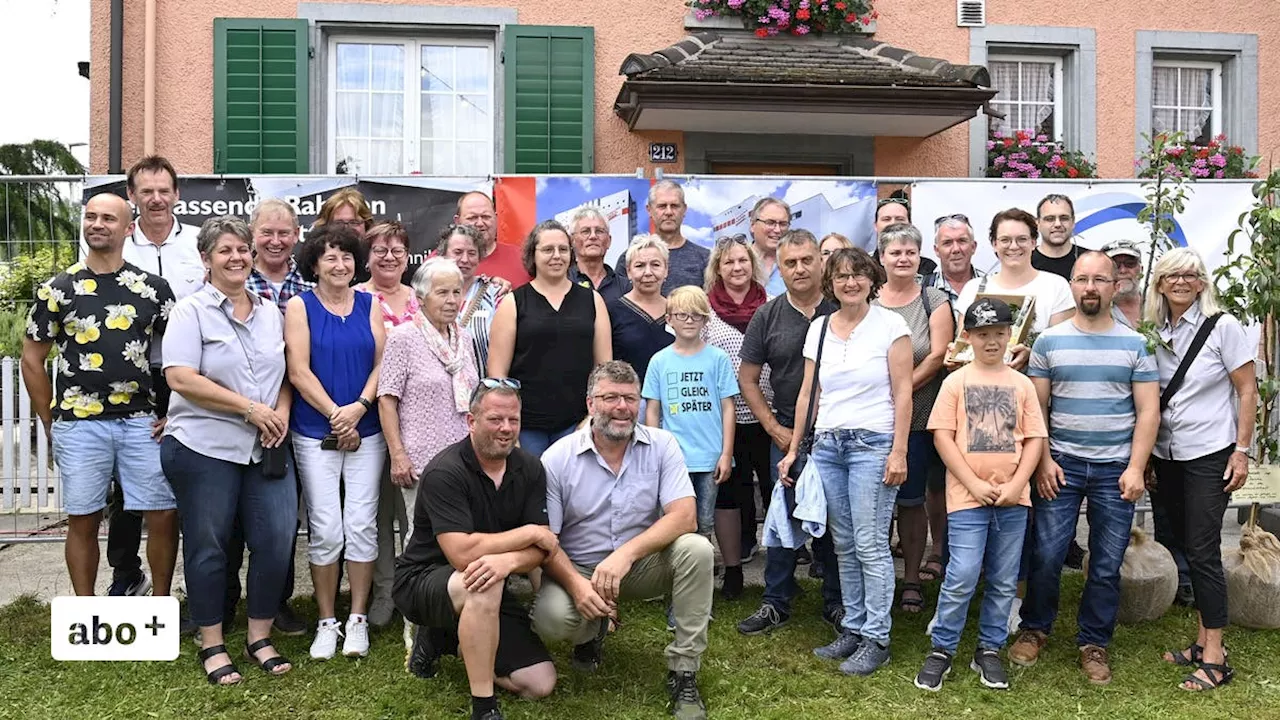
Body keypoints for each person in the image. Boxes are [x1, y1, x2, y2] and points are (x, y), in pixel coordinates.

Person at [1009, 250, 1159, 685]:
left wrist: (1136, 467)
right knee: (1047, 554)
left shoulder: (1136, 343)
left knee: (1107, 563)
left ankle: (1094, 642)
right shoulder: (1049, 341)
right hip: (1062, 466)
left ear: (1115, 286)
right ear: (1071, 284)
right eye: (1082, 279)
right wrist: (1043, 462)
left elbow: (1148, 412)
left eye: (1099, 279)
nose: (1090, 287)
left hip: (1116, 469)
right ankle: (1035, 629)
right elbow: (1035, 409)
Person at [534, 361, 714, 720]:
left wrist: (626, 555)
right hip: (581, 569)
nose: (622, 407)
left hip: (641, 565)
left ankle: (684, 670)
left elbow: (684, 516)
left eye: (630, 398)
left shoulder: (662, 445)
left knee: (698, 549)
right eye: (610, 397)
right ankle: (589, 635)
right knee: (551, 620)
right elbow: (547, 540)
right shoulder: (557, 458)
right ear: (590, 405)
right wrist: (576, 585)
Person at [159, 216, 297, 685]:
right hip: (203, 446)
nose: (237, 258)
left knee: (277, 540)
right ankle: (213, 642)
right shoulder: (190, 311)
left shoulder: (270, 312)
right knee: (209, 547)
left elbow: (286, 376)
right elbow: (180, 377)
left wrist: (276, 414)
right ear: (206, 259)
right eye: (225, 251)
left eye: (243, 249)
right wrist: (250, 410)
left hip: (264, 448)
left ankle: (259, 635)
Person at [21, 192, 177, 597]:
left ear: (128, 229)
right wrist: (49, 419)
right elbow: (32, 359)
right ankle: (86, 612)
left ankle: (160, 605)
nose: (97, 224)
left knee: (162, 513)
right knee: (83, 518)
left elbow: (183, 354)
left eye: (108, 218)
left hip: (142, 421)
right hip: (79, 422)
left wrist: (175, 411)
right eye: (90, 217)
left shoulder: (153, 289)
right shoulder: (56, 290)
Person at [778, 246, 912, 677]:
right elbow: (808, 394)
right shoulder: (819, 327)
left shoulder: (891, 325)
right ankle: (853, 628)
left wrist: (900, 451)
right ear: (830, 284)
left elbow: (903, 393)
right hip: (830, 447)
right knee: (845, 544)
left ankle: (878, 637)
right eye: (840, 277)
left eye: (857, 275)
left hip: (873, 444)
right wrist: (795, 449)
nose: (850, 282)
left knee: (872, 544)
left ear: (872, 279)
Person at [392, 379, 558, 720]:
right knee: (484, 581)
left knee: (539, 683)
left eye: (514, 420)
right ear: (471, 421)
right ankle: (484, 706)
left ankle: (446, 638)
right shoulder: (444, 471)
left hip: (488, 580)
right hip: (423, 580)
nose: (506, 428)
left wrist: (511, 559)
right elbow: (463, 554)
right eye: (496, 419)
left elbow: (543, 549)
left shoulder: (529, 468)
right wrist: (527, 534)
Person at [913, 298, 1047, 692]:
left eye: (999, 334)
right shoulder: (956, 382)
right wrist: (972, 483)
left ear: (1010, 336)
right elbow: (942, 435)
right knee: (963, 573)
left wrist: (1018, 484)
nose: (991, 341)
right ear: (967, 337)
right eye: (983, 334)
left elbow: (1035, 439)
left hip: (1013, 499)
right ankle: (943, 647)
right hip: (968, 498)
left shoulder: (1021, 384)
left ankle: (989, 647)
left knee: (1005, 579)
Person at [1146, 248, 1256, 692]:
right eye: (1172, 274)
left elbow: (1247, 391)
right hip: (1167, 454)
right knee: (1187, 547)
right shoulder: (1155, 329)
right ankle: (1201, 640)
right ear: (1160, 283)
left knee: (1204, 550)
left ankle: (1215, 656)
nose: (1181, 281)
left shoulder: (1223, 327)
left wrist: (1241, 450)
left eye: (1190, 274)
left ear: (1202, 282)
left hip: (1210, 453)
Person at [284, 223, 387, 660]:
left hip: (368, 430)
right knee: (326, 528)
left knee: (362, 524)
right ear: (314, 264)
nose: (340, 264)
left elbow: (385, 363)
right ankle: (327, 621)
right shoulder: (299, 306)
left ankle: (357, 618)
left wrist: (359, 408)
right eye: (330, 257)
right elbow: (298, 371)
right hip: (315, 431)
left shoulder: (371, 305)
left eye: (346, 256)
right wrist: (334, 415)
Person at [102, 155, 201, 598]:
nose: (157, 199)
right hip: (133, 376)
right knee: (127, 482)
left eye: (165, 190)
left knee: (188, 479)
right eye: (147, 192)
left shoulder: (200, 244)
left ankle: (191, 584)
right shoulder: (117, 247)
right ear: (132, 197)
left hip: (193, 376)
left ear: (177, 194)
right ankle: (126, 573)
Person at [736, 230, 843, 635]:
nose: (799, 269)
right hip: (785, 436)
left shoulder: (843, 308)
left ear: (820, 262)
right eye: (790, 263)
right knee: (781, 519)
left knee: (834, 522)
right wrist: (774, 428)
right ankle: (776, 602)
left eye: (806, 260)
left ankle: (836, 602)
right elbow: (747, 379)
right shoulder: (768, 315)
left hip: (838, 433)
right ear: (778, 269)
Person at [379, 257, 482, 674]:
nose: (452, 299)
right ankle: (416, 631)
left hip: (466, 464)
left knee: (463, 551)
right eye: (442, 291)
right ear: (420, 296)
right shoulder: (404, 338)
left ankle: (455, 629)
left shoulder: (463, 338)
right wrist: (397, 453)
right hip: (421, 464)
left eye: (457, 291)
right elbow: (387, 398)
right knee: (420, 552)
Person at [873, 223, 954, 612]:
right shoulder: (868, 299)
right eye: (895, 252)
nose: (903, 258)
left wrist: (899, 392)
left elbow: (938, 355)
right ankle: (874, 579)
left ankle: (910, 579)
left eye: (910, 252)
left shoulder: (933, 299)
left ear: (920, 256)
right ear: (882, 258)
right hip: (873, 419)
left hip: (920, 417)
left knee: (911, 500)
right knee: (872, 502)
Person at [487, 220, 611, 457]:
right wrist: (508, 425)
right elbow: (497, 374)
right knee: (530, 492)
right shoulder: (513, 303)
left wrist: (590, 418)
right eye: (547, 250)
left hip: (577, 424)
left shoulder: (592, 301)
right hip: (526, 428)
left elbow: (603, 369)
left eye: (563, 249)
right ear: (532, 255)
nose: (556, 256)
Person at [359, 221, 422, 628]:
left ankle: (416, 593)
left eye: (397, 249)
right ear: (367, 257)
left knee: (415, 515)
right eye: (380, 249)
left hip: (416, 424)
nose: (389, 257)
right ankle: (384, 594)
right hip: (367, 421)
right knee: (378, 515)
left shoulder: (421, 299)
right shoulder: (356, 298)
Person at [703, 234, 772, 597]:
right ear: (718, 268)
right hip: (724, 418)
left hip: (770, 415)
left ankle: (781, 565)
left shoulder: (772, 305)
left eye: (743, 261)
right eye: (728, 262)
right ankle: (733, 571)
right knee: (730, 493)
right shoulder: (706, 310)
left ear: (753, 265)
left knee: (777, 489)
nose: (737, 267)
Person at [644, 286, 738, 540]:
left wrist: (726, 453)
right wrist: (656, 454)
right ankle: (673, 575)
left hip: (710, 457)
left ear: (705, 319)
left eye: (696, 315)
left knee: (705, 522)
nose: (689, 320)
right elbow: (653, 410)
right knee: (674, 521)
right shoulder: (659, 361)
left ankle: (704, 575)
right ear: (669, 319)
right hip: (673, 459)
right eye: (682, 314)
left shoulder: (718, 359)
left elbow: (728, 407)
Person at [955, 208, 1076, 371]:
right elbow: (964, 341)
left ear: (1033, 243)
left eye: (1022, 239)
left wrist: (1031, 355)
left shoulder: (1056, 286)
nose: (1013, 246)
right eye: (1005, 240)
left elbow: (1062, 348)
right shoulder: (973, 288)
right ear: (994, 244)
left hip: (1036, 387)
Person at [436, 223, 506, 373]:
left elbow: (506, 347)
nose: (465, 259)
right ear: (443, 255)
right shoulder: (427, 296)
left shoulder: (495, 294)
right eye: (458, 252)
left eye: (472, 253)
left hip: (483, 391)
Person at [609, 235, 674, 392]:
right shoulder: (611, 311)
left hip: (673, 400)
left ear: (666, 270)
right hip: (629, 402)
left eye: (655, 265)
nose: (648, 272)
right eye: (639, 266)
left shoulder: (678, 311)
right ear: (629, 271)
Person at [458, 191, 532, 287]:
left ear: (496, 218)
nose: (480, 223)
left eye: (486, 217)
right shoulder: (440, 260)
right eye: (472, 218)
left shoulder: (524, 259)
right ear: (457, 221)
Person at [648, 180, 710, 294]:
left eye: (675, 206)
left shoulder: (705, 258)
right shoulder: (633, 258)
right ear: (649, 210)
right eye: (662, 206)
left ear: (684, 210)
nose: (669, 212)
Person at [568, 206, 631, 304]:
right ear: (572, 241)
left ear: (609, 241)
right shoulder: (562, 281)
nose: (593, 236)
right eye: (585, 231)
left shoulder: (626, 287)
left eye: (599, 231)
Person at [923, 215, 984, 303]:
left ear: (973, 247)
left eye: (962, 241)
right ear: (937, 250)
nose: (956, 249)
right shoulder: (922, 289)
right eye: (947, 243)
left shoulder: (991, 287)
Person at [873, 195, 937, 277]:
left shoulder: (927, 268)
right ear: (875, 225)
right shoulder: (865, 266)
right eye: (886, 219)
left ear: (909, 224)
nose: (893, 223)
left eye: (900, 219)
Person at [1031, 194, 1088, 280]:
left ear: (1073, 222)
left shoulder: (1089, 261)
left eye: (1064, 218)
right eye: (1050, 219)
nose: (1058, 224)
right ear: (1038, 223)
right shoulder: (1025, 262)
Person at [748, 197, 791, 297]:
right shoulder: (735, 262)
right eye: (770, 223)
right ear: (753, 225)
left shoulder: (795, 265)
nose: (777, 230)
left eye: (783, 224)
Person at [1101, 239, 1144, 329]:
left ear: (1141, 269)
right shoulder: (1096, 310)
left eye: (1130, 263)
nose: (1123, 270)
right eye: (1115, 265)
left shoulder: (1159, 302)